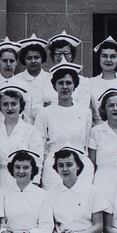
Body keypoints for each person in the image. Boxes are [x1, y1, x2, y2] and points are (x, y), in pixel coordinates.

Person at [35, 61, 93, 189]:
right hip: (53, 168)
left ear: (75, 86)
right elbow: (40, 147)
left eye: (69, 83)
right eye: (60, 83)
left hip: (80, 166)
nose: (65, 87)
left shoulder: (84, 112)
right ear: (54, 86)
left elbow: (87, 142)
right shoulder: (45, 113)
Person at [0, 85, 44, 191]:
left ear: (20, 106)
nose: (10, 108)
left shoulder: (31, 131)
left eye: (14, 104)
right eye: (5, 104)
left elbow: (37, 162)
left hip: (22, 181)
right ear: (0, 107)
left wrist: (33, 187)